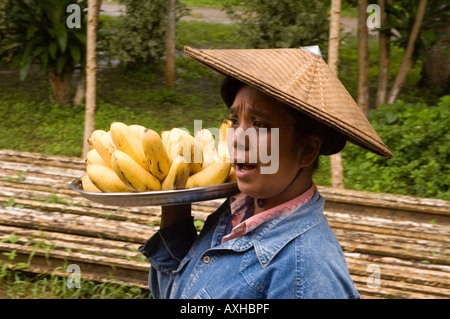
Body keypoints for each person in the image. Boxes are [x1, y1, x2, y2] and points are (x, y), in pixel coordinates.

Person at [139, 46, 393, 299]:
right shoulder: (238, 211)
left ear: (306, 151)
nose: (237, 138)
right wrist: (174, 200)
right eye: (235, 121)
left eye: (259, 124)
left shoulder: (304, 273)